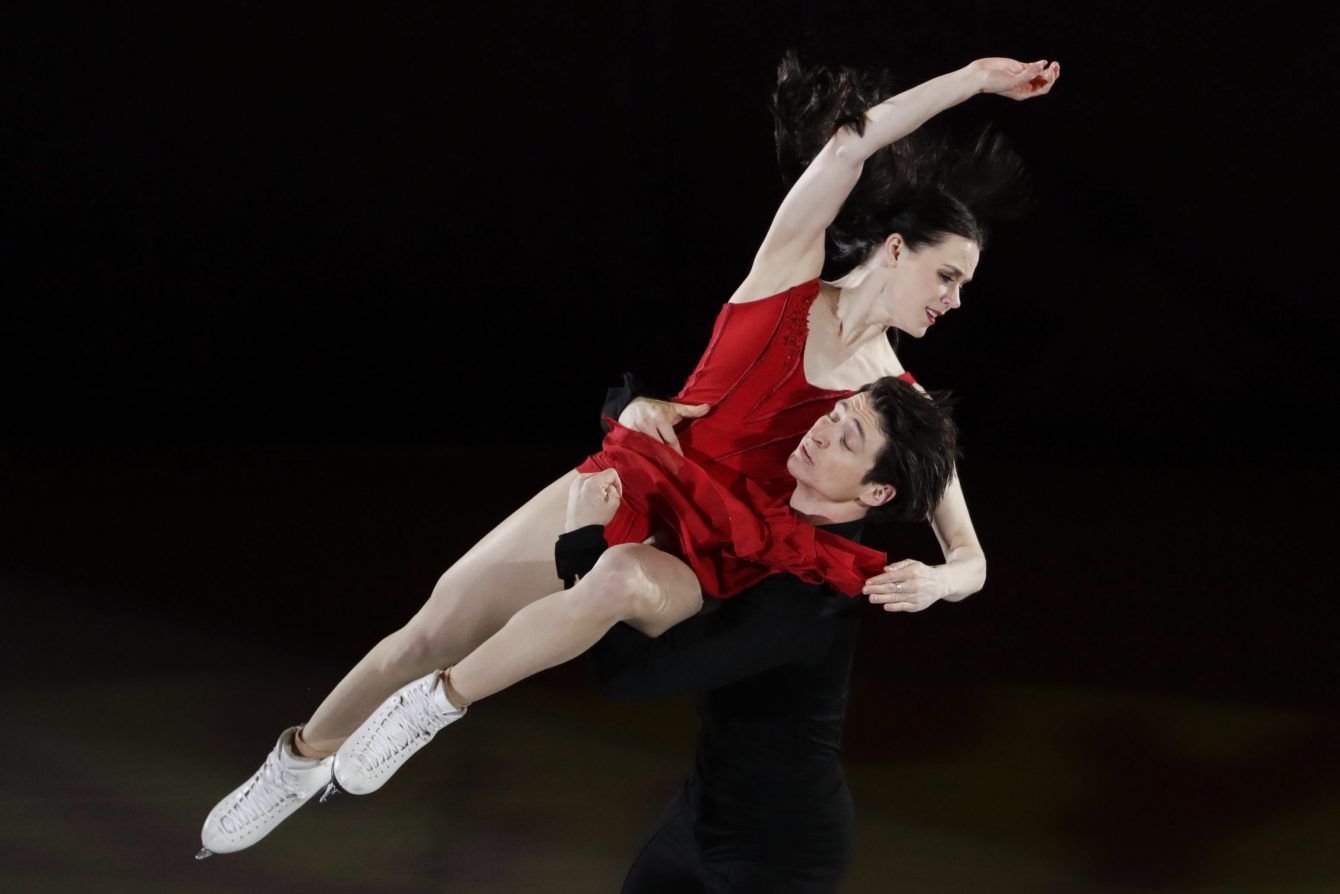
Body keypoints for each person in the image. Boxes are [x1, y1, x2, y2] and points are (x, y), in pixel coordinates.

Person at [198, 53, 1059, 857]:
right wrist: (976, 77)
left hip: (714, 555)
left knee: (602, 591)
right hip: (632, 481)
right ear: (899, 249)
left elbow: (972, 556)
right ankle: (298, 760)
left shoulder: (893, 403)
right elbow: (847, 147)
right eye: (950, 277)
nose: (954, 301)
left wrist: (940, 582)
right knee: (429, 628)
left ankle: (434, 711)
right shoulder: (785, 275)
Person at [572, 378, 958, 892]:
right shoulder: (775, 521)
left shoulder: (810, 599)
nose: (824, 430)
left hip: (781, 855)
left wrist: (581, 546)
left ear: (877, 492)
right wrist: (639, 409)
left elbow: (629, 679)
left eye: (849, 439)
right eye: (838, 413)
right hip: (699, 813)